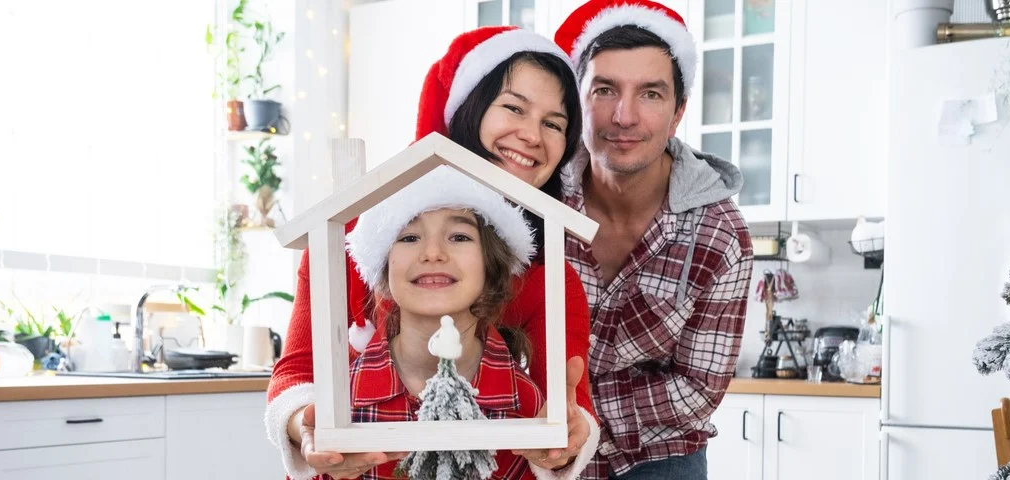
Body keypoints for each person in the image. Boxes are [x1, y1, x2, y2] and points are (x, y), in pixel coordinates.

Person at [264, 26, 600, 480]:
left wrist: (567, 439)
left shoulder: (550, 282)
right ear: (471, 109)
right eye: (513, 107)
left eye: (554, 124)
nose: (531, 135)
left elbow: (566, 405)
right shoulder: (348, 237)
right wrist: (304, 423)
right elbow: (299, 369)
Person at [552, 1, 756, 479]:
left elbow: (696, 389)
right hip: (543, 440)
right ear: (579, 102)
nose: (624, 116)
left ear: (677, 112)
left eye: (650, 94)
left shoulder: (720, 235)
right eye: (605, 89)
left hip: (657, 449)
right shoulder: (538, 200)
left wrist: (579, 416)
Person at [343, 166, 547, 480]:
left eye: (459, 236)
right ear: (384, 267)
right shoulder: (343, 400)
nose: (433, 253)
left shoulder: (524, 402)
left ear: (488, 265)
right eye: (409, 236)